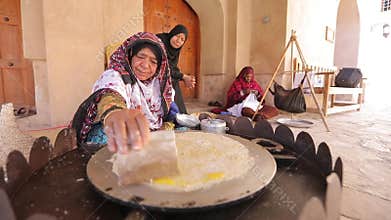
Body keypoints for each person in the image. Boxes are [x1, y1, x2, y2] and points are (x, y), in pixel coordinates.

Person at [71, 32, 174, 154]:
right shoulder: (116, 75)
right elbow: (110, 94)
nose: (145, 65)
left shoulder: (159, 85)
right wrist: (114, 112)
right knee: (107, 139)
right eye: (141, 57)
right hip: (125, 133)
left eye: (153, 61)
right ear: (130, 56)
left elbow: (169, 110)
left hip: (150, 132)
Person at [157, 24, 196, 114]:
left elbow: (172, 67)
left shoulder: (174, 51)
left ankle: (180, 114)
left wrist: (183, 77)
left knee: (173, 79)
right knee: (170, 78)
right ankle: (178, 113)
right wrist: (184, 77)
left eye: (182, 39)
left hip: (162, 75)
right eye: (177, 36)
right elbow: (163, 65)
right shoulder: (160, 41)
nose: (178, 41)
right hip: (150, 73)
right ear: (172, 33)